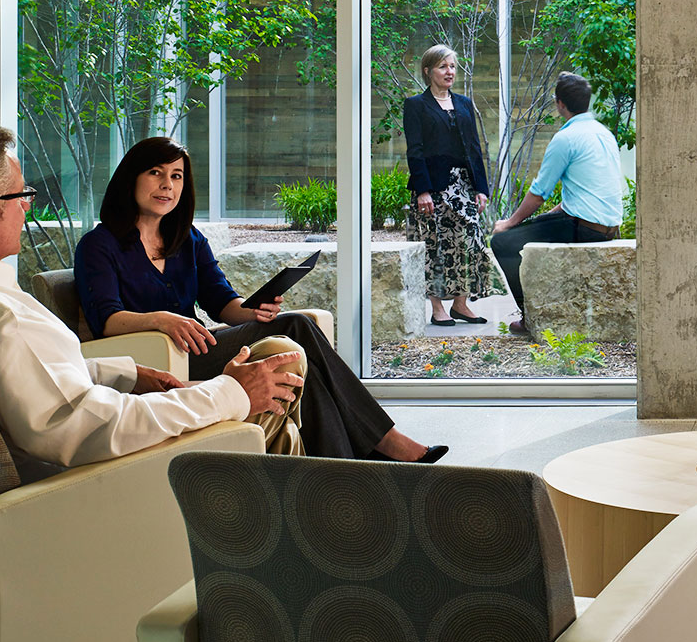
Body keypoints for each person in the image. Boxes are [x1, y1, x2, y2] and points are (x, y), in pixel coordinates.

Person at [0, 123, 305, 472]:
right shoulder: (4, 321)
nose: (27, 208)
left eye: (176, 176)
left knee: (273, 408)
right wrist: (229, 392)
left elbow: (20, 375)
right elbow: (96, 430)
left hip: (14, 480)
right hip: (89, 493)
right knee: (267, 413)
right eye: (22, 196)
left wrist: (124, 373)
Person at [73, 135, 447, 463]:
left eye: (176, 176)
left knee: (303, 361)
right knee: (299, 327)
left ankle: (345, 467)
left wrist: (253, 310)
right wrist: (161, 319)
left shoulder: (188, 240)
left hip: (200, 347)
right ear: (131, 178)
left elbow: (222, 303)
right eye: (156, 173)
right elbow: (107, 320)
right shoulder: (99, 245)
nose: (167, 185)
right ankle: (385, 442)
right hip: (158, 360)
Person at [491, 73, 623, 338]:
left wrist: (508, 223)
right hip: (608, 226)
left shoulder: (566, 138)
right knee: (535, 227)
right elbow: (588, 190)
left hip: (584, 229)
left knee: (503, 242)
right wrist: (550, 215)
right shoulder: (603, 133)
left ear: (559, 103)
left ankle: (530, 317)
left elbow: (538, 194)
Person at [403, 43, 502, 327]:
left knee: (471, 243)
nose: (450, 72)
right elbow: (415, 151)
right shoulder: (415, 105)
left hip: (463, 187)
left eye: (453, 67)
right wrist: (422, 190)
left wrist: (481, 188)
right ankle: (437, 308)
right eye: (443, 66)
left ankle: (461, 304)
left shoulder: (464, 103)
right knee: (436, 246)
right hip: (432, 189)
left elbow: (473, 148)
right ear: (428, 71)